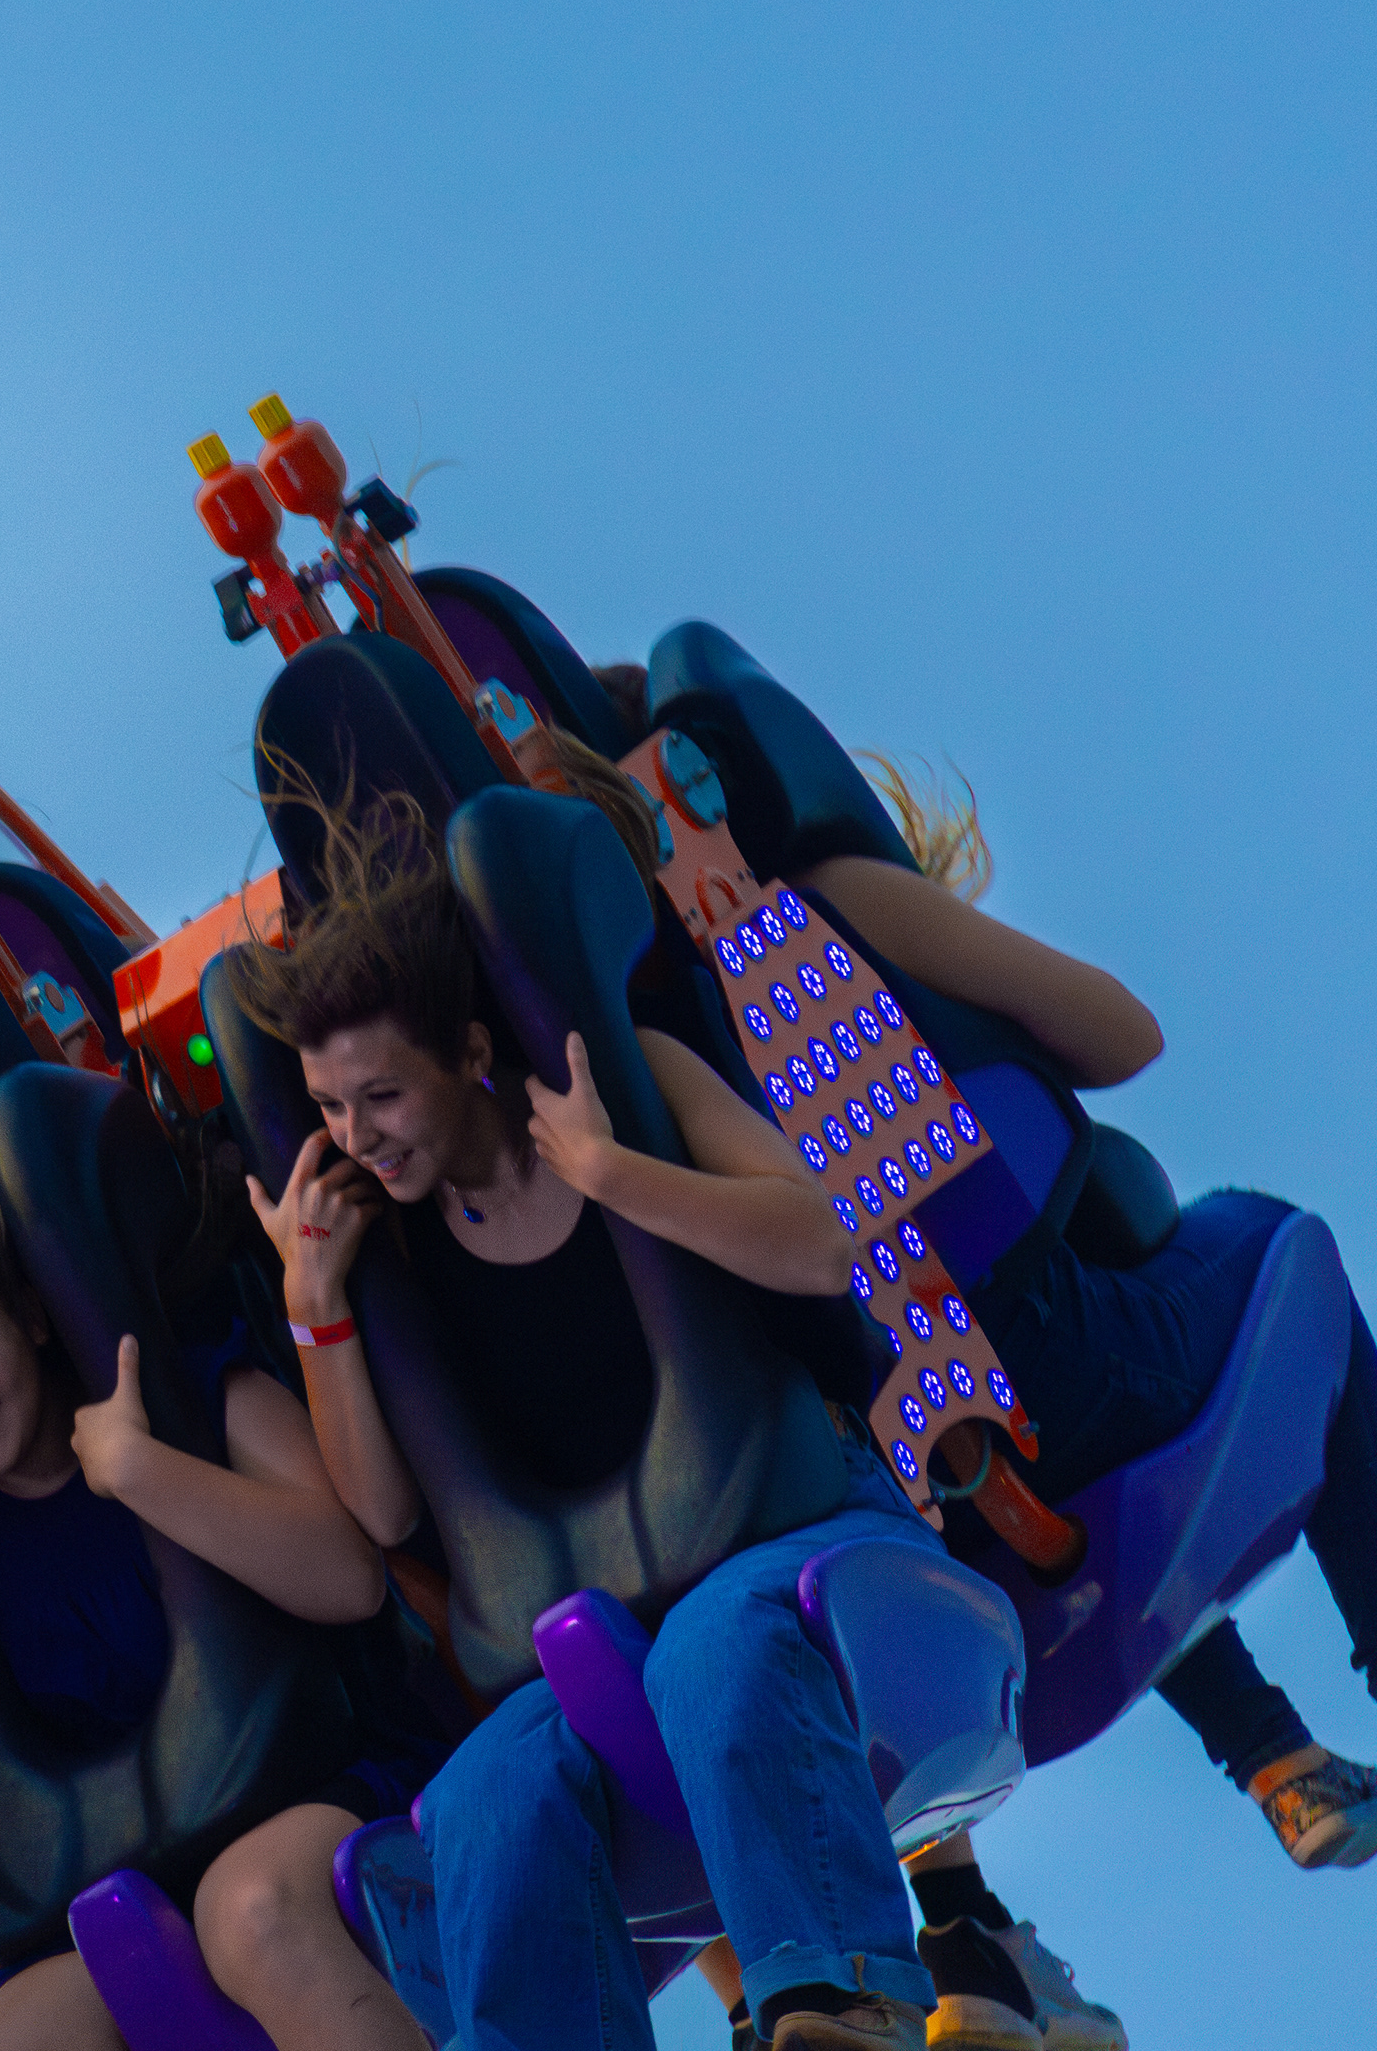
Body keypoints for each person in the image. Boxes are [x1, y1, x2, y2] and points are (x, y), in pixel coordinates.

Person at [230, 791, 1001, 2051]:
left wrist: (615, 1179)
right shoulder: (392, 1248)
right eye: (327, 1110)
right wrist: (316, 1308)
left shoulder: (642, 1086)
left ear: (470, 1055)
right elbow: (380, 1513)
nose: (355, 1139)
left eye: (381, 1097)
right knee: (484, 1790)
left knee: (716, 1641)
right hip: (600, 1626)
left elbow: (825, 1247)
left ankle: (845, 1994)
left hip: (803, 1541)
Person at [802, 758, 1377, 1867]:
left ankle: (1276, 1760)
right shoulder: (828, 904)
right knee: (1279, 1253)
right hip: (1033, 1362)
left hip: (891, 1504)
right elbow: (1124, 1034)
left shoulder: (630, 1039)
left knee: (1103, 1479)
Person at [0, 1086, 428, 2051]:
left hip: (309, 1795)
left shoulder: (188, 1394)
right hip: (114, 1887)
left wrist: (143, 1475)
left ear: (32, 1323)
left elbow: (351, 1577)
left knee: (248, 1910)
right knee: (26, 2031)